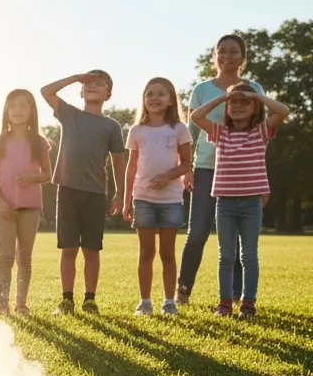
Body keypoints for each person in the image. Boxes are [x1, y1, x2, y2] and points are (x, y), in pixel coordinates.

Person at [177, 34, 266, 307]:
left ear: (243, 57)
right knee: (198, 231)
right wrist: (186, 169)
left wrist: (263, 180)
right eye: (222, 51)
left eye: (234, 51)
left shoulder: (255, 88)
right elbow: (189, 133)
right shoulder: (201, 90)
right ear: (213, 56)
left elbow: (262, 134)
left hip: (245, 177)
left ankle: (237, 296)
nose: (227, 56)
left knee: (238, 239)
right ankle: (183, 290)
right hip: (206, 168)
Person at [190, 83, 288, 320]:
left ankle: (248, 304)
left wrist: (255, 95)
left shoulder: (260, 132)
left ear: (255, 108)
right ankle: (224, 303)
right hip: (224, 203)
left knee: (249, 255)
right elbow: (195, 116)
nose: (238, 106)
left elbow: (282, 111)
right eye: (234, 102)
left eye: (245, 102)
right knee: (226, 255)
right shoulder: (220, 133)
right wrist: (225, 97)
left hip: (251, 203)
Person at [40, 71, 126, 315]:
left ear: (108, 95)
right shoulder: (70, 114)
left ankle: (90, 300)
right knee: (68, 248)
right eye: (89, 83)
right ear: (80, 90)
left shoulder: (111, 126)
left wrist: (120, 194)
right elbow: (46, 91)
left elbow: (119, 162)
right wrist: (76, 76)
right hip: (67, 190)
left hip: (96, 194)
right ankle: (66, 300)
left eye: (100, 84)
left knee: (91, 249)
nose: (93, 86)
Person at [122, 78, 193, 316]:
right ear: (143, 100)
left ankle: (169, 302)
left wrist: (167, 177)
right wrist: (126, 201)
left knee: (167, 253)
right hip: (143, 198)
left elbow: (186, 164)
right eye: (149, 94)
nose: (154, 98)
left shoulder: (178, 129)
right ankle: (145, 302)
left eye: (161, 94)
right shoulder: (136, 131)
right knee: (146, 252)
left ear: (171, 99)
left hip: (171, 200)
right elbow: (131, 167)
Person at [0, 89, 52, 315]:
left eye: (24, 106)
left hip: (30, 206)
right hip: (4, 206)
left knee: (24, 257)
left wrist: (32, 177)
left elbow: (48, 174)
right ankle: (2, 303)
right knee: (5, 256)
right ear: (6, 110)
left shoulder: (39, 142)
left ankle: (21, 304)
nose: (18, 110)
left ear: (32, 111)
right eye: (13, 106)